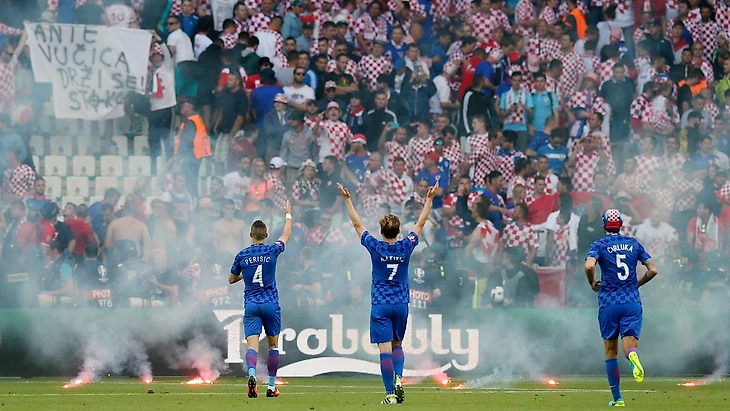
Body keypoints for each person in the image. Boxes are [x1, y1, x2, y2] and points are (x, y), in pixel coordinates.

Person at [337, 180, 437, 405]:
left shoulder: (375, 246)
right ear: (399, 231)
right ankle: (399, 378)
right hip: (401, 303)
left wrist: (348, 200)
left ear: (381, 231)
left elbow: (356, 224)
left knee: (384, 352)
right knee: (398, 345)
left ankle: (390, 393)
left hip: (380, 305)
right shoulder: (405, 246)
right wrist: (429, 199)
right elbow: (421, 223)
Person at [584, 209, 659, 407]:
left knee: (611, 351)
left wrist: (592, 282)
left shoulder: (598, 245)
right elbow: (653, 269)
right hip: (631, 302)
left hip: (609, 302)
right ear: (620, 225)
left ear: (604, 224)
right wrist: (637, 284)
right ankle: (633, 355)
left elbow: (589, 266)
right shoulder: (634, 244)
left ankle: (617, 398)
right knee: (630, 346)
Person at [229, 200, 292, 399]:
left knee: (252, 346)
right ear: (266, 235)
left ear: (250, 235)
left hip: (251, 305)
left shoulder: (242, 255)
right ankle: (271, 387)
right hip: (270, 303)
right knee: (273, 346)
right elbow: (287, 234)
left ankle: (252, 374)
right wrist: (288, 214)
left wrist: (245, 275)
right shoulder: (272, 249)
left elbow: (231, 279)